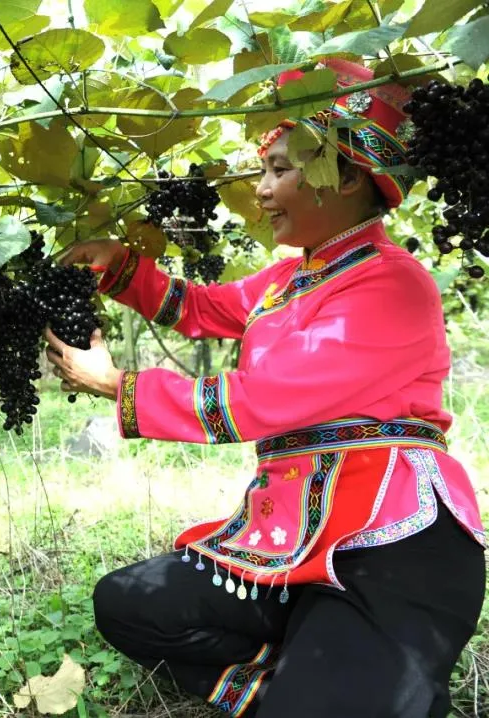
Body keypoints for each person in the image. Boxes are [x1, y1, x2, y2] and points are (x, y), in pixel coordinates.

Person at [49, 59, 485, 717]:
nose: (260, 190)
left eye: (278, 170)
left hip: (392, 548)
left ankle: (339, 679)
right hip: (287, 542)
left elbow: (263, 397)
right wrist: (120, 267)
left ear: (341, 175)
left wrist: (117, 385)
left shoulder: (392, 283)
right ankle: (292, 681)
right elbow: (203, 306)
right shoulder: (285, 282)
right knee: (126, 602)